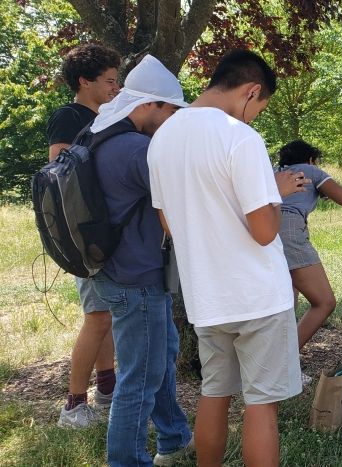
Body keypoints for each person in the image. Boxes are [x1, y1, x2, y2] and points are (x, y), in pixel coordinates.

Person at [147, 49, 308, 467]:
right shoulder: (240, 137)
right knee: (261, 405)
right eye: (260, 107)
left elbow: (169, 225)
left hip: (206, 296)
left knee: (214, 393)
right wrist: (275, 191)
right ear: (251, 91)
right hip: (258, 296)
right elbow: (264, 231)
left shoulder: (162, 137)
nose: (255, 117)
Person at [88, 54, 194, 466]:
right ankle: (127, 460)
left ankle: (173, 437)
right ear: (148, 105)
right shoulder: (137, 150)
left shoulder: (99, 136)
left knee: (159, 356)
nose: (170, 120)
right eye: (169, 111)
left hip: (112, 271)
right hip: (137, 279)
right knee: (139, 380)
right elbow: (182, 205)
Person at [45, 43, 121, 429]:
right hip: (83, 234)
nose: (116, 87)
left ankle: (107, 391)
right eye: (109, 80)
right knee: (97, 317)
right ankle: (73, 405)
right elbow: (61, 179)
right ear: (84, 81)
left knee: (104, 314)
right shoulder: (69, 116)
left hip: (101, 231)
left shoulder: (103, 117)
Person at [275, 139, 342, 351]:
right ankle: (286, 358)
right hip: (290, 230)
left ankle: (274, 356)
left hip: (264, 227)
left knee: (286, 295)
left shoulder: (274, 173)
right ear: (311, 159)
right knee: (324, 302)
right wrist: (324, 186)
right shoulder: (310, 170)